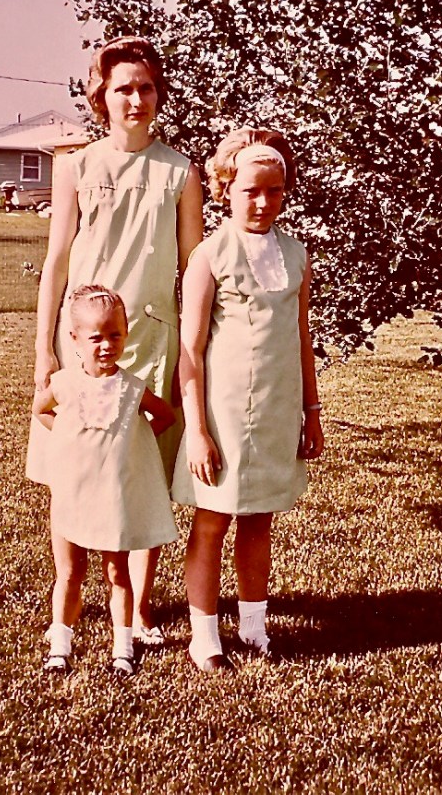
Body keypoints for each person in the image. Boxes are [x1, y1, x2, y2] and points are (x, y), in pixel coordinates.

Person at [26, 36, 203, 644]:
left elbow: (193, 266)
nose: (135, 98)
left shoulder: (180, 171)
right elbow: (56, 262)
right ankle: (69, 597)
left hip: (150, 338)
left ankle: (142, 606)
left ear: (159, 94)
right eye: (123, 87)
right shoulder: (75, 166)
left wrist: (198, 349)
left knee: (141, 470)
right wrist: (45, 349)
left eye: (146, 87)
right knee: (74, 462)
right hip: (82, 336)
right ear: (100, 95)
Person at [171, 127, 324, 672]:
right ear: (226, 189)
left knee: (259, 518)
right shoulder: (211, 255)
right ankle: (204, 635)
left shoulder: (296, 253)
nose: (262, 203)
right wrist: (197, 430)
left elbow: (302, 338)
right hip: (223, 413)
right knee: (213, 520)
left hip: (279, 412)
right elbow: (189, 350)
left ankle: (254, 627)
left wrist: (311, 412)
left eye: (273, 192)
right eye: (250, 191)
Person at [33, 286, 178, 675]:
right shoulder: (63, 383)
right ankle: (60, 644)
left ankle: (122, 646)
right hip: (72, 493)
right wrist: (64, 433)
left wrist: (135, 443)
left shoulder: (132, 388)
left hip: (113, 498)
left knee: (118, 574)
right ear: (75, 339)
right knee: (69, 572)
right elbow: (41, 410)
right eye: (95, 337)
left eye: (115, 335)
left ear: (126, 334)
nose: (105, 345)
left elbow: (164, 416)